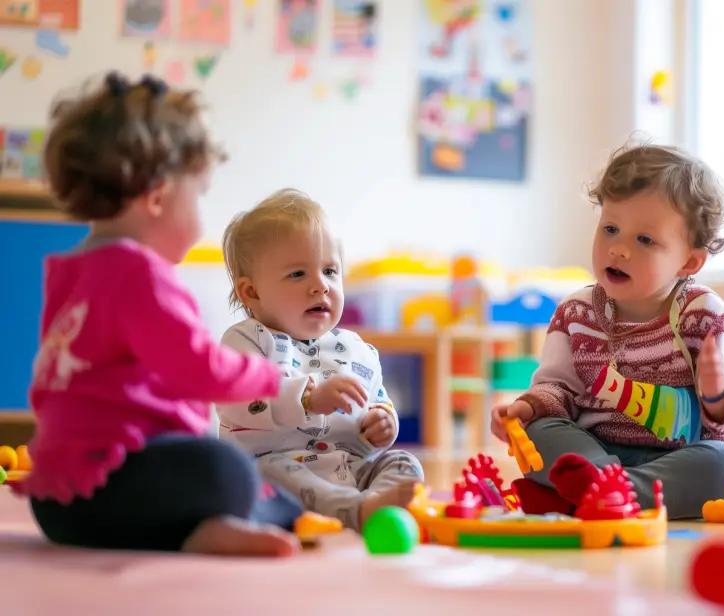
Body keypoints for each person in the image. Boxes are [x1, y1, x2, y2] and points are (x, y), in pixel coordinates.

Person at [12, 72, 304, 557]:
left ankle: (241, 517)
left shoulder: (70, 272)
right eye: (200, 194)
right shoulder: (138, 273)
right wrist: (270, 375)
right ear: (158, 196)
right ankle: (203, 529)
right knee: (225, 468)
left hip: (57, 506)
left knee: (253, 483)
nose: (202, 216)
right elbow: (199, 370)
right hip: (117, 486)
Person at [491, 142, 724, 519]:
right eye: (611, 229)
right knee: (541, 432)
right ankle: (604, 489)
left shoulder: (707, 317)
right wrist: (530, 406)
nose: (618, 249)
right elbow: (558, 389)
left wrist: (720, 393)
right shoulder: (577, 313)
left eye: (644, 240)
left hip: (677, 460)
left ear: (689, 261)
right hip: (592, 448)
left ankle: (606, 493)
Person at [216, 189, 424, 532]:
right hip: (279, 474)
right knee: (262, 472)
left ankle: (375, 504)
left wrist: (383, 423)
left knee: (404, 461)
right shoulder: (245, 340)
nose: (320, 286)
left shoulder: (356, 348)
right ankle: (354, 511)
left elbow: (378, 401)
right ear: (251, 292)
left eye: (329, 271)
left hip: (351, 467)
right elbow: (239, 401)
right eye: (298, 274)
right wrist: (309, 398)